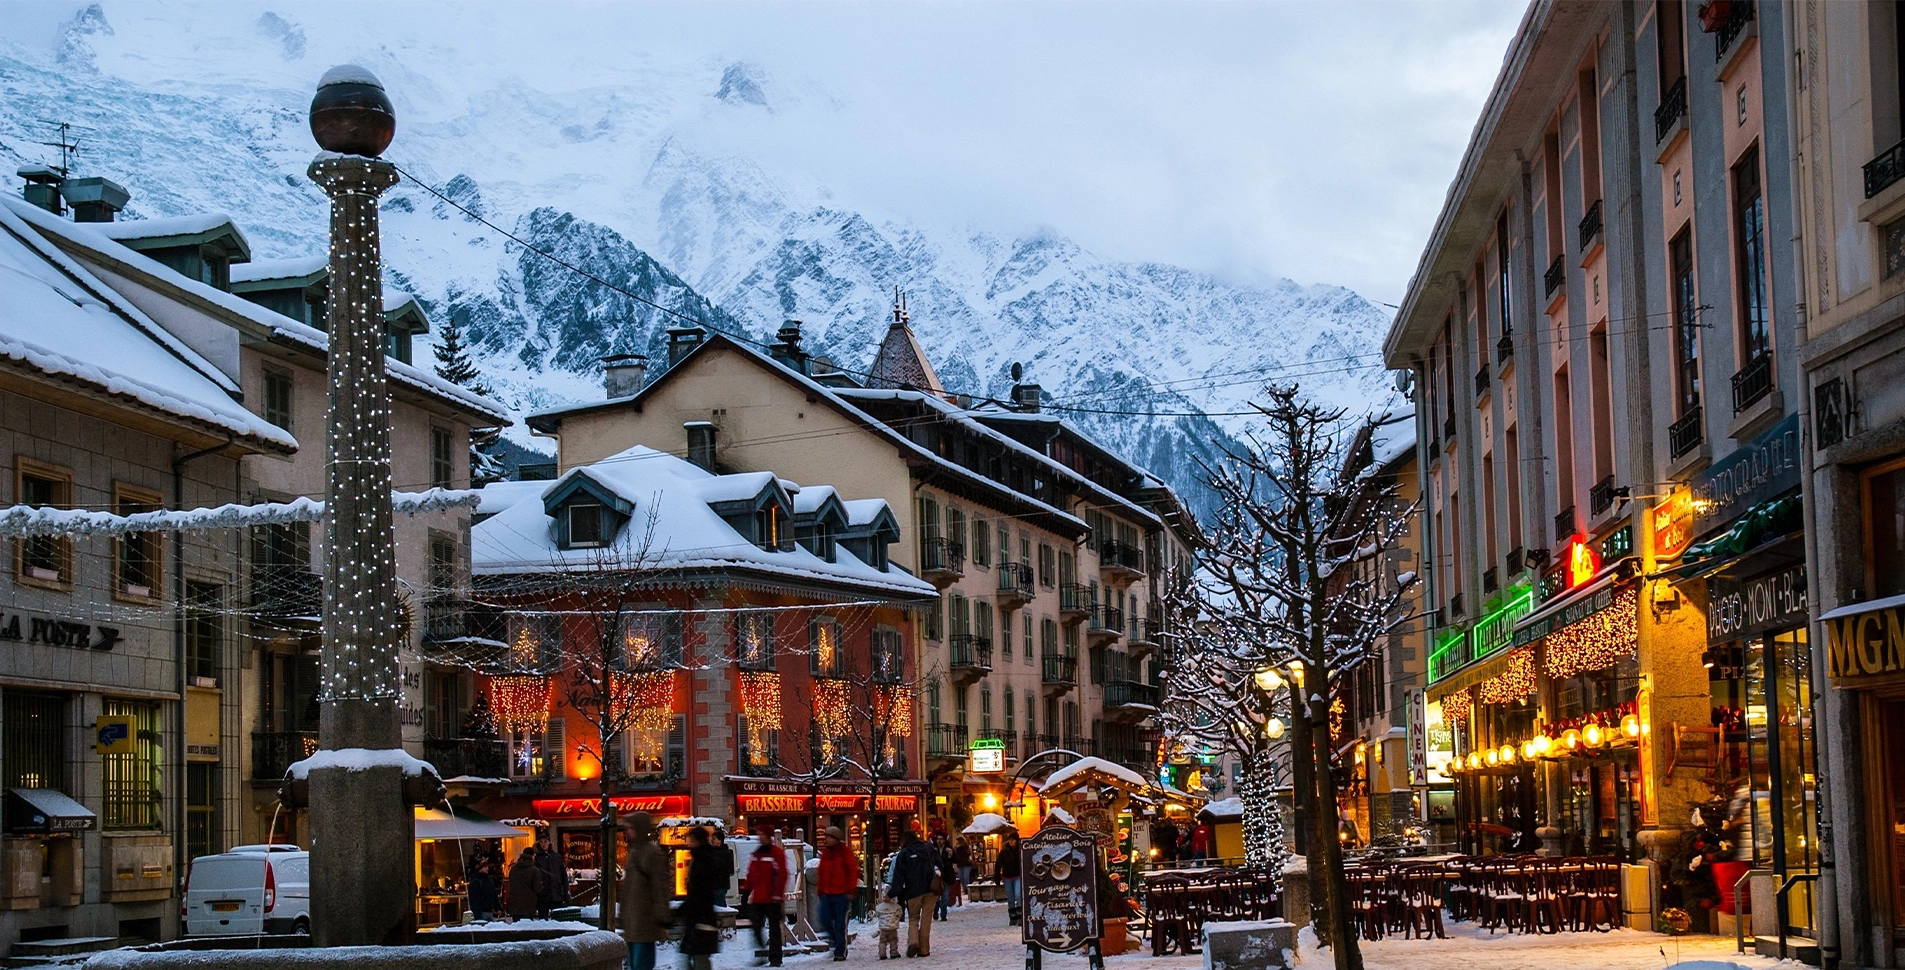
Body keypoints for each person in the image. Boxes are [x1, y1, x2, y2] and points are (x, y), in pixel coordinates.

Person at [621, 813, 675, 970]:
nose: (627, 831)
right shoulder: (634, 852)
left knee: (641, 965)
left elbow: (660, 887)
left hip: (645, 921)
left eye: (630, 828)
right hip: (633, 922)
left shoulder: (652, 853)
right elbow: (628, 888)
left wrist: (662, 914)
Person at [887, 829, 939, 957]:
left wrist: (892, 893)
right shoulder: (928, 848)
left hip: (913, 891)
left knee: (913, 918)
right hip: (931, 889)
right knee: (926, 919)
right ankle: (924, 950)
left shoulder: (903, 853)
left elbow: (899, 877)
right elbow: (940, 864)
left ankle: (913, 942)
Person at [679, 827, 725, 970]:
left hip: (701, 918)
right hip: (699, 917)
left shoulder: (703, 860)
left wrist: (685, 909)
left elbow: (700, 892)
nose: (689, 843)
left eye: (691, 840)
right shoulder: (701, 857)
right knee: (694, 958)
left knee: (699, 958)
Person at [814, 826, 859, 962]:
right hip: (827, 893)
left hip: (841, 893)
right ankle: (837, 941)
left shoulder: (845, 853)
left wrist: (850, 890)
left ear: (835, 838)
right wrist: (820, 890)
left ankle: (840, 951)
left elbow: (852, 872)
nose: (826, 839)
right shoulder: (826, 854)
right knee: (824, 919)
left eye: (828, 837)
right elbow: (821, 873)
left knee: (840, 924)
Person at [743, 842, 785, 967]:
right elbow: (751, 874)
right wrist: (746, 891)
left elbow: (782, 874)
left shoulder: (776, 853)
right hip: (759, 897)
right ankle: (764, 950)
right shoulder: (757, 854)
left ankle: (775, 958)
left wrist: (778, 893)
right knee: (756, 926)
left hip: (772, 897)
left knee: (774, 929)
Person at [506, 846, 544, 921]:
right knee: (527, 928)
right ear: (533, 856)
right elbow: (537, 888)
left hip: (515, 905)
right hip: (529, 905)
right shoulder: (534, 870)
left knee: (516, 929)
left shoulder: (513, 869)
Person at [536, 837, 569, 918]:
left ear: (549, 842)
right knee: (543, 919)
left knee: (558, 918)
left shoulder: (556, 857)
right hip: (543, 894)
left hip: (556, 893)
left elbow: (563, 875)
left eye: (545, 841)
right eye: (541, 842)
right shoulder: (537, 857)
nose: (543, 844)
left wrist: (566, 893)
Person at [467, 842, 500, 921]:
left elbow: (494, 895)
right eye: (485, 867)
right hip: (481, 912)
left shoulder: (489, 880)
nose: (487, 868)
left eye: (487, 866)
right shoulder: (476, 881)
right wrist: (477, 914)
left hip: (489, 910)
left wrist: (498, 907)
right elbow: (475, 899)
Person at [995, 833, 1022, 926]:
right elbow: (998, 864)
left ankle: (1020, 917)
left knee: (1018, 895)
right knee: (1010, 898)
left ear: (1016, 840)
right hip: (1007, 877)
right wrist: (997, 877)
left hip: (1018, 875)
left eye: (1012, 840)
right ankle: (1012, 917)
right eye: (1009, 840)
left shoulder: (1020, 850)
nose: (1010, 842)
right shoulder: (1004, 851)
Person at [874, 891, 903, 959]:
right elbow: (899, 914)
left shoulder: (879, 907)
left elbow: (877, 915)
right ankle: (894, 953)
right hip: (893, 928)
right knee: (893, 940)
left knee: (882, 942)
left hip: (883, 929)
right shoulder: (896, 907)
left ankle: (882, 954)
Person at [931, 835, 953, 920]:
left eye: (941, 839)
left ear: (944, 840)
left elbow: (955, 860)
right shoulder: (933, 849)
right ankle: (935, 911)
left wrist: (951, 853)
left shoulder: (948, 849)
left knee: (945, 896)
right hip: (936, 875)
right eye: (938, 839)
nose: (939, 841)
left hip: (947, 875)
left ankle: (943, 915)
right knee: (936, 895)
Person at [951, 837, 971, 908]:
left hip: (966, 864)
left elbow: (968, 854)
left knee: (965, 877)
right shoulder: (957, 848)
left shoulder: (966, 847)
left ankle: (967, 889)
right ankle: (965, 888)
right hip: (960, 864)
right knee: (961, 877)